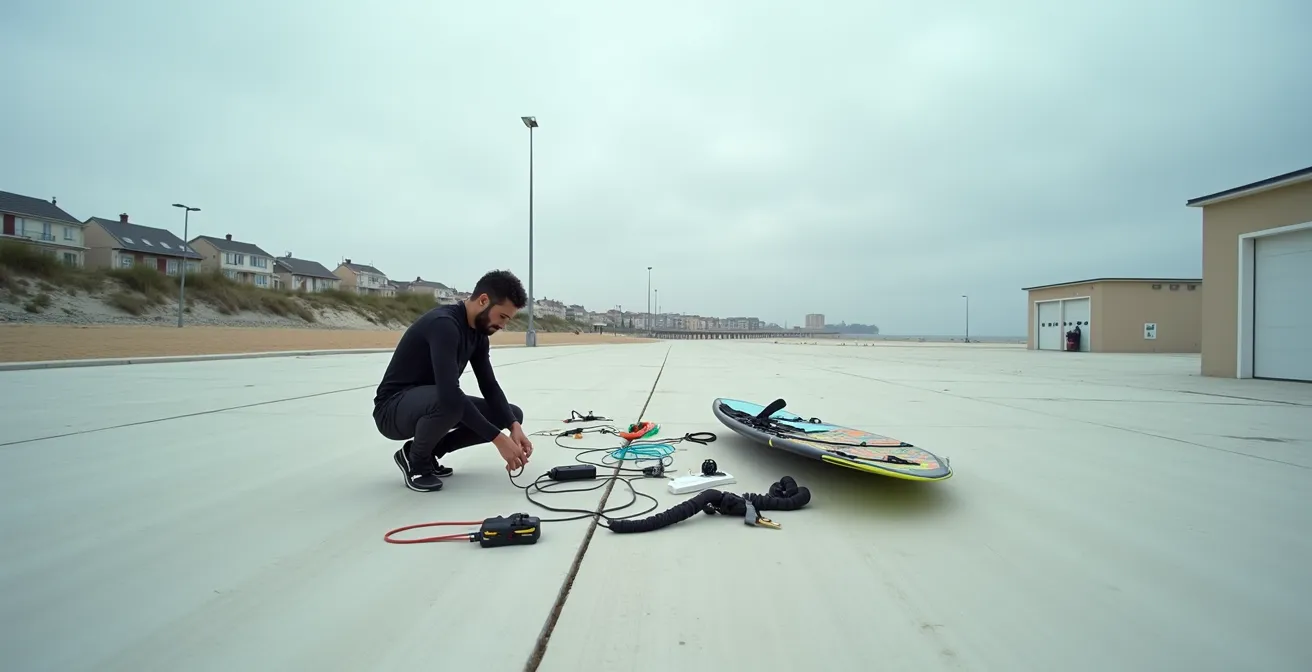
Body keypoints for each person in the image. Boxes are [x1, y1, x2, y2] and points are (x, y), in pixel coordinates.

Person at [372, 269, 534, 492]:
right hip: (392, 410)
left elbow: (489, 385)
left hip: (434, 402)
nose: (503, 325)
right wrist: (498, 439)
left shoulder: (478, 334)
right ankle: (416, 462)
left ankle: (430, 453)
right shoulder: (444, 324)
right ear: (483, 300)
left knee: (511, 413)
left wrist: (513, 426)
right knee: (449, 400)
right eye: (502, 316)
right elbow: (449, 394)